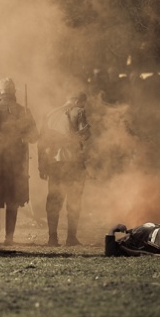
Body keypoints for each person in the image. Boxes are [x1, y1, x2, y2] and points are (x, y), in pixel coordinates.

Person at [0, 78, 38, 245]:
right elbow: (34, 137)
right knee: (12, 201)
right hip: (15, 163)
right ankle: (9, 238)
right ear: (14, 92)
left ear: (0, 92)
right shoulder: (23, 111)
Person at [38, 92, 91, 246]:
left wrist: (41, 165)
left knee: (54, 201)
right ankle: (71, 238)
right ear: (76, 100)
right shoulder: (79, 112)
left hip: (54, 163)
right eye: (82, 102)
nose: (83, 106)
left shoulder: (50, 114)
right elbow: (85, 135)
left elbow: (41, 142)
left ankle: (52, 238)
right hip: (73, 163)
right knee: (74, 201)